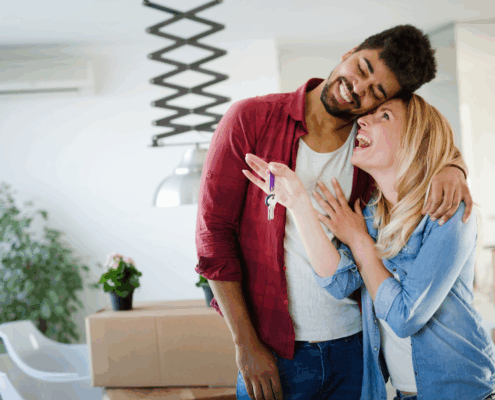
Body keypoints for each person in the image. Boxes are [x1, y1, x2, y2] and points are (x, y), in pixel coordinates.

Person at [195, 25, 473, 400]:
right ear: (350, 52)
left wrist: (453, 167)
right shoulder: (251, 119)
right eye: (362, 67)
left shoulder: (367, 152)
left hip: (357, 351)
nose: (357, 87)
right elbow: (212, 236)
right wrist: (245, 345)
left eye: (376, 93)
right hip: (276, 351)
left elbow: (423, 141)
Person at [243, 94, 495, 400]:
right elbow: (339, 282)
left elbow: (405, 317)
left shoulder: (448, 212)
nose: (362, 120)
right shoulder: (369, 215)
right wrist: (298, 205)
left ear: (415, 139)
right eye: (368, 115)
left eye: (384, 117)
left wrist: (360, 242)